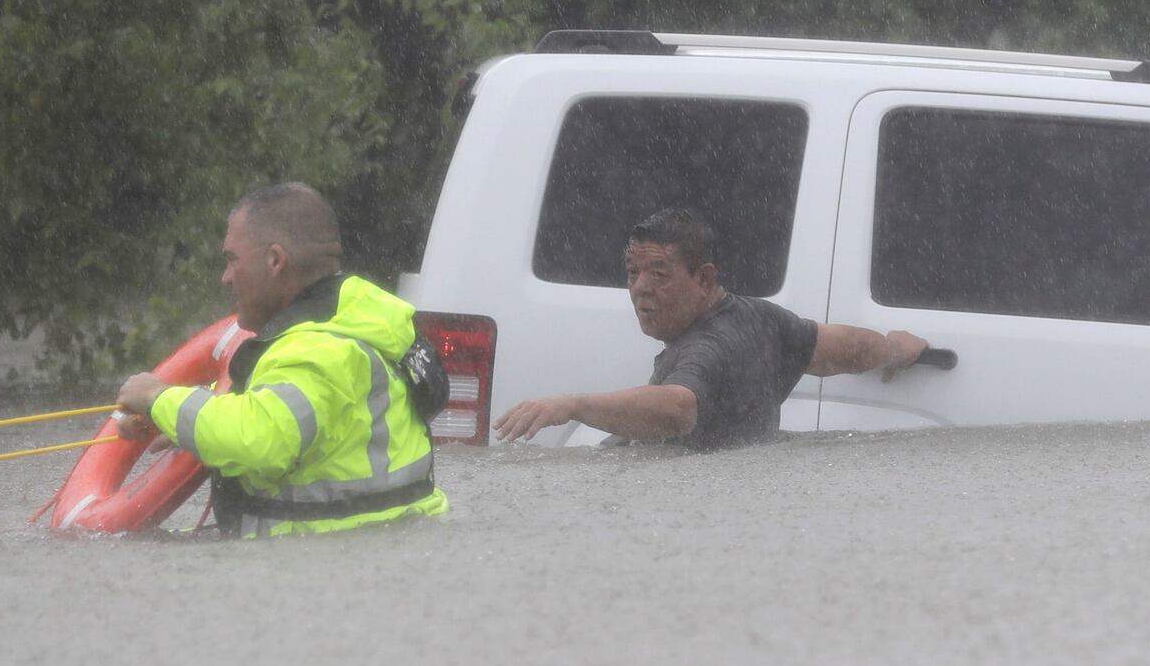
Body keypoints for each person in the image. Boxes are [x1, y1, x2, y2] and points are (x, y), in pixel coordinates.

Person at [116, 182, 447, 537]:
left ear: (274, 260)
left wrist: (156, 396)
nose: (225, 278)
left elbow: (256, 440)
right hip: (378, 540)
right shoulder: (363, 320)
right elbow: (307, 420)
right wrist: (180, 417)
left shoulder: (316, 350)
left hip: (321, 558)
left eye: (232, 260)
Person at [492, 208, 929, 450]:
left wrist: (574, 405)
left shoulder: (706, 349)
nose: (640, 289)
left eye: (659, 275)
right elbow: (842, 348)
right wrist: (893, 348)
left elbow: (678, 409)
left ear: (703, 279)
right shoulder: (762, 318)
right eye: (632, 273)